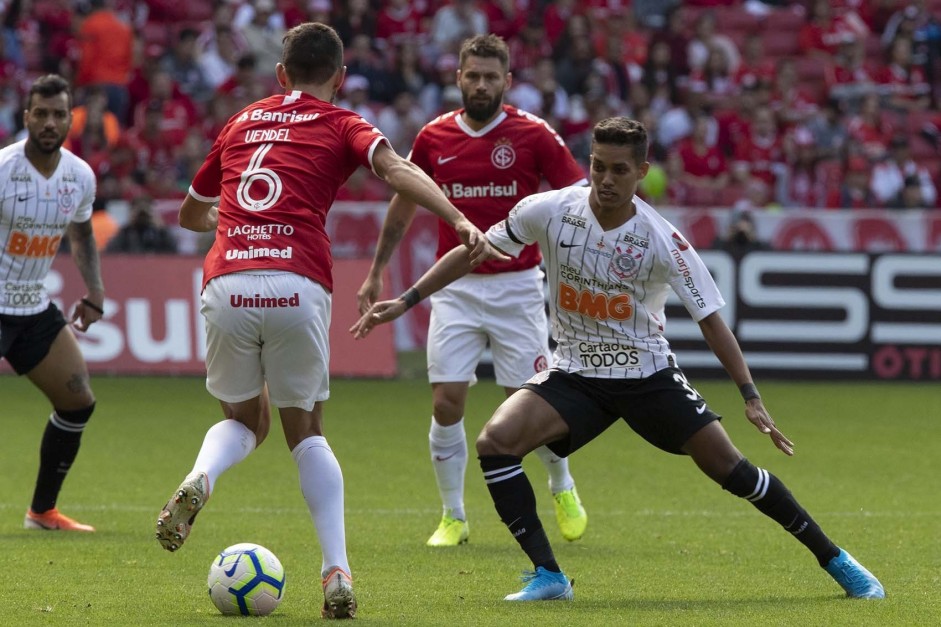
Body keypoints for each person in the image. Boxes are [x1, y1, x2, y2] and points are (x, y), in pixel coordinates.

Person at [352, 117, 886, 602]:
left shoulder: (663, 240)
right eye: (598, 167)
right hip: (577, 372)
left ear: (642, 173)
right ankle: (549, 576)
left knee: (731, 469)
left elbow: (710, 319)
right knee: (496, 443)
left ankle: (836, 560)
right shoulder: (551, 210)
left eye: (620, 170)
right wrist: (406, 300)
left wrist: (749, 395)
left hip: (647, 374)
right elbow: (474, 252)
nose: (606, 180)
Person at [153, 22, 501, 620]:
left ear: (281, 74)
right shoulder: (342, 123)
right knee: (306, 429)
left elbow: (189, 212)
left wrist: (239, 223)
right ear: (340, 77)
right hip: (297, 280)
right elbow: (396, 170)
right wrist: (460, 218)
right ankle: (336, 570)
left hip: (228, 278)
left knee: (242, 419)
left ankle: (200, 477)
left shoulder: (241, 120)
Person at [356, 34, 589, 549]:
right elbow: (403, 204)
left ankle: (562, 484)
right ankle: (453, 516)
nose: (481, 84)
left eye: (491, 77)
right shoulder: (434, 138)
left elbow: (577, 195)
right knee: (446, 403)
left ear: (507, 82)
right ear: (458, 78)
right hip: (455, 289)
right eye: (472, 75)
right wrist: (377, 271)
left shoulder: (534, 135)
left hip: (518, 287)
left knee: (529, 405)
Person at [0, 74, 104, 532]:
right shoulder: (2, 169)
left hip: (33, 308)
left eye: (58, 114)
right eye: (40, 113)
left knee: (77, 401)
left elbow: (81, 234)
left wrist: (95, 292)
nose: (49, 122)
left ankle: (42, 513)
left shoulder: (79, 176)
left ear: (69, 119)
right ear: (26, 117)